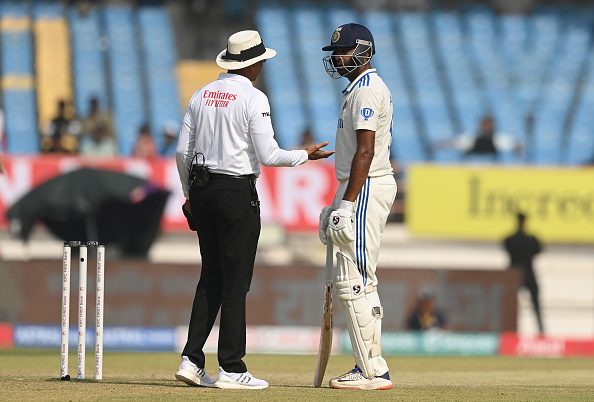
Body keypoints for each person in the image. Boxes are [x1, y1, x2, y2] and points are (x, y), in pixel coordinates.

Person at [175, 30, 334, 390]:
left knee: (211, 277)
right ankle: (231, 367)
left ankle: (191, 360)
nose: (263, 65)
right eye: (261, 60)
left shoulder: (200, 95)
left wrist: (189, 195)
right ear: (254, 63)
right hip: (235, 192)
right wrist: (305, 155)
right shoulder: (253, 97)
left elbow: (182, 153)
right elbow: (270, 156)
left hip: (201, 189)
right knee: (235, 282)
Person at [319, 23, 396, 390]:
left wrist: (347, 204)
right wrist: (339, 201)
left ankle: (372, 371)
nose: (337, 57)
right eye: (335, 51)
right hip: (359, 187)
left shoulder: (366, 91)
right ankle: (367, 365)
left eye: (344, 50)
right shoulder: (357, 89)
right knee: (355, 278)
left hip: (366, 187)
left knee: (357, 281)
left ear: (364, 51)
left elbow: (365, 151)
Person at [503, 212, 544, 335]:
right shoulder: (531, 240)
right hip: (528, 271)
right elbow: (539, 250)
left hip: (514, 272)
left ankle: (508, 331)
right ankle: (541, 331)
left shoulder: (510, 239)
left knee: (510, 305)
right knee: (535, 305)